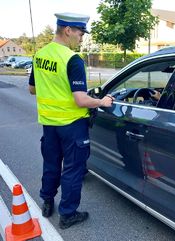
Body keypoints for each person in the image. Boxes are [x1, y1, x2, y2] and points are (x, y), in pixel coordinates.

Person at [28, 12, 114, 229]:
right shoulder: (71, 59)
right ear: (68, 30)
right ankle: (67, 214)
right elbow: (80, 99)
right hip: (72, 126)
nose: (82, 38)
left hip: (49, 125)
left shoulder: (40, 55)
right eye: (80, 33)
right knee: (73, 171)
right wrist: (102, 102)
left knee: (51, 165)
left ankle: (47, 202)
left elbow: (32, 89)